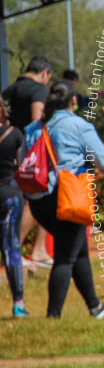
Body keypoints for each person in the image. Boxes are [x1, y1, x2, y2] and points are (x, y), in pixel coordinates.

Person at [25, 81, 104, 318]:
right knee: (64, 257)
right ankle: (53, 315)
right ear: (72, 101)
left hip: (39, 200)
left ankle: (94, 306)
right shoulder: (79, 125)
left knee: (77, 250)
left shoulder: (33, 127)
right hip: (68, 197)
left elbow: (24, 161)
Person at [4, 56, 52, 268]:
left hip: (7, 150)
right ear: (44, 73)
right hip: (29, 153)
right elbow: (36, 122)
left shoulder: (9, 90)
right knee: (32, 201)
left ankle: (34, 250)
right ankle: (21, 252)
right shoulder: (38, 90)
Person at [0, 98, 26, 317]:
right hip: (10, 196)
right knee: (11, 249)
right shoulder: (15, 134)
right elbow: (22, 167)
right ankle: (18, 304)